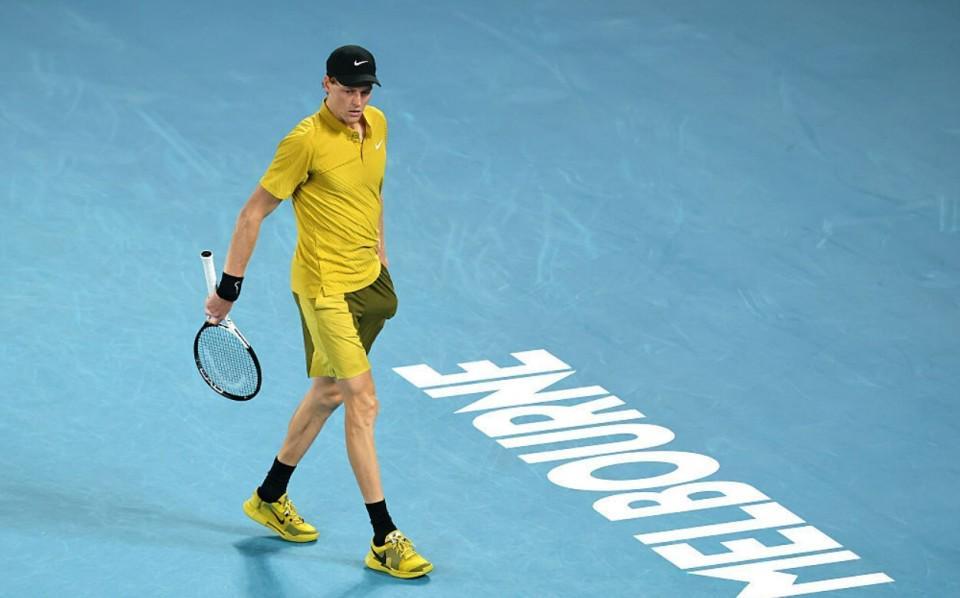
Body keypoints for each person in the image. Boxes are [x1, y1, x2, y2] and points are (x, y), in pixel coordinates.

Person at [203, 44, 432, 579]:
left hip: (369, 283)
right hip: (325, 290)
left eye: (365, 91)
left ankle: (269, 496)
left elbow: (373, 192)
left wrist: (380, 251)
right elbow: (252, 214)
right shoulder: (303, 141)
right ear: (326, 84)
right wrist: (230, 289)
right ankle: (384, 537)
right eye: (348, 90)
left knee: (329, 391)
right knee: (362, 401)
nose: (357, 101)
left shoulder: (377, 124)